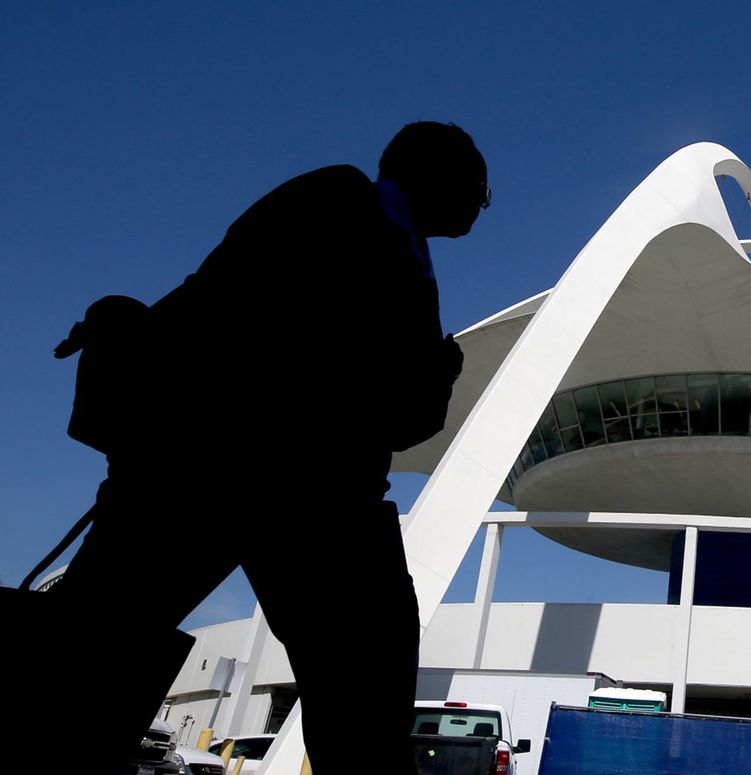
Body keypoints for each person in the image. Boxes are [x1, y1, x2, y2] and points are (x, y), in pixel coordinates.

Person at [46, 121, 487, 774]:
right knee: (95, 646)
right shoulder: (341, 202)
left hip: (274, 483)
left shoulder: (398, 250)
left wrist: (425, 374)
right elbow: (238, 314)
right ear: (434, 173)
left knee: (364, 678)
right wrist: (430, 369)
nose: (481, 203)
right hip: (236, 473)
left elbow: (398, 412)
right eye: (477, 186)